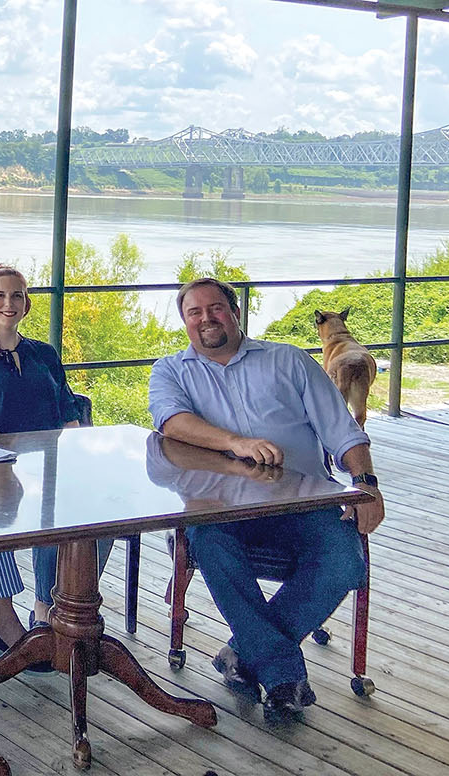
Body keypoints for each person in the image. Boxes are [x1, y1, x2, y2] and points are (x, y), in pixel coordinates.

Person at [149, 277, 384, 721]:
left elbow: (343, 429)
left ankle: (243, 653)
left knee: (344, 561)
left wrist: (366, 482)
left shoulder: (289, 361)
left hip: (302, 505)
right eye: (194, 313)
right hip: (218, 508)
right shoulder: (171, 371)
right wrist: (236, 442)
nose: (206, 319)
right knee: (211, 545)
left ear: (234, 312)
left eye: (215, 308)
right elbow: (173, 422)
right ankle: (281, 675)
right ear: (184, 322)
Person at [0, 264, 110, 669]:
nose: (9, 303)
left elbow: (68, 406)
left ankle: (50, 607)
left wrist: (59, 445)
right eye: (0, 295)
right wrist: (10, 452)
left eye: (17, 295)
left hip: (50, 461)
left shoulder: (44, 353)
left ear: (26, 302)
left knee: (101, 519)